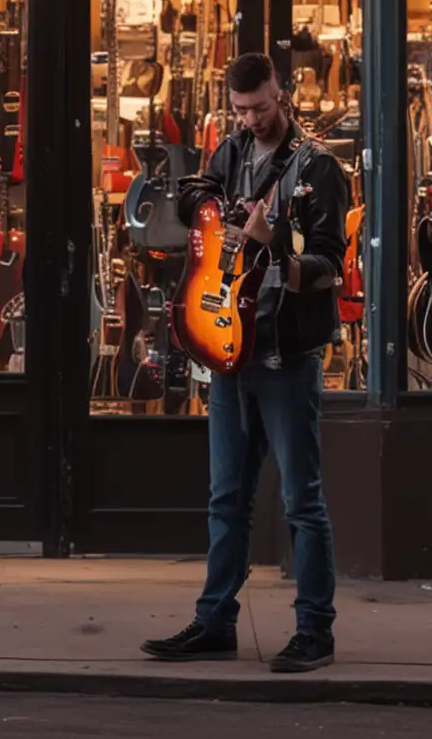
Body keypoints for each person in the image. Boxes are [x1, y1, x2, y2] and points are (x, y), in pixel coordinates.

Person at [140, 51, 349, 673]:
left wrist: (272, 245)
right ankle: (214, 621)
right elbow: (195, 195)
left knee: (301, 501)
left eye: (260, 107)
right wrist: (217, 213)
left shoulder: (318, 170)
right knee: (225, 496)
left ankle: (315, 629)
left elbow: (330, 267)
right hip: (228, 344)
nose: (251, 120)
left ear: (281, 94)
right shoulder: (231, 152)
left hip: (285, 353)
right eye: (240, 110)